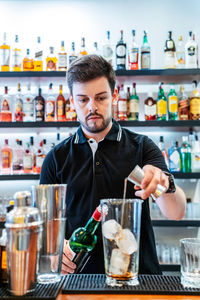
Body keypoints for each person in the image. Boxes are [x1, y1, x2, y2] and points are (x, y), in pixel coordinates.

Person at [40, 54, 186, 275]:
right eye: (83, 99)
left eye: (101, 98)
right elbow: (44, 229)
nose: (92, 107)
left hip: (139, 281)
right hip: (77, 283)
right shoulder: (56, 158)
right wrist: (53, 253)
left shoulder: (142, 147)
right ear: (72, 101)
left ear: (114, 96)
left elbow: (177, 212)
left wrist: (164, 183)